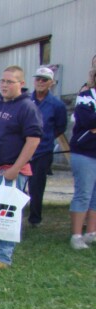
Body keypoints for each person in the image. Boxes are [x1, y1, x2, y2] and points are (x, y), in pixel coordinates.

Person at [0, 65, 42, 270]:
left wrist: (16, 168)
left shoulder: (27, 108)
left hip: (8, 172)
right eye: (2, 81)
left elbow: (33, 140)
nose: (4, 85)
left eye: (9, 82)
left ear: (21, 84)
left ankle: (2, 257)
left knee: (4, 214)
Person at [27, 66, 69, 227]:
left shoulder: (57, 105)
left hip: (43, 151)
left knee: (37, 186)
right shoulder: (26, 100)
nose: (40, 82)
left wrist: (45, 138)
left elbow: (60, 127)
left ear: (51, 83)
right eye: (38, 79)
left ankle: (35, 219)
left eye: (44, 80)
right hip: (22, 150)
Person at [68, 53, 96, 250]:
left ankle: (91, 232)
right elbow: (86, 120)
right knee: (83, 193)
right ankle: (76, 235)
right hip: (85, 151)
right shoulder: (86, 94)